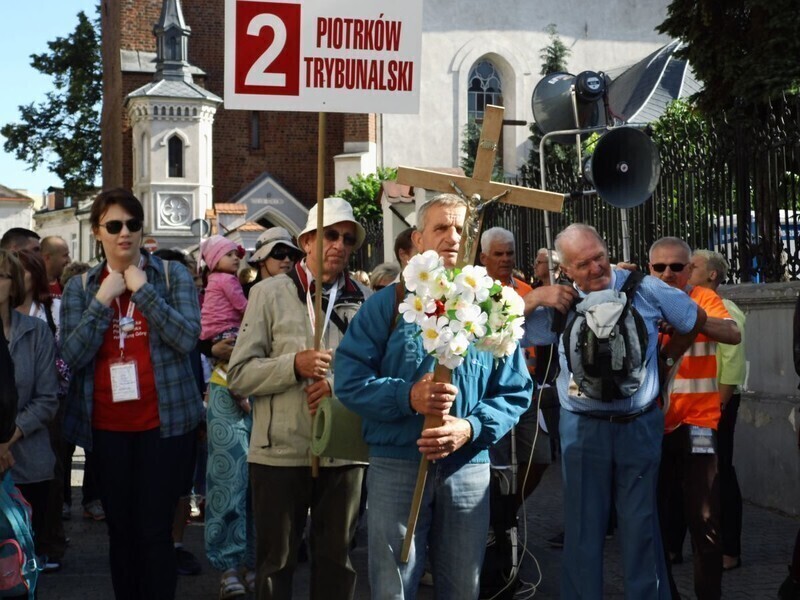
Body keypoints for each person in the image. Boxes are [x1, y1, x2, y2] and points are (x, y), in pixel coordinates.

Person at [334, 194, 533, 599]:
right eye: (441, 227)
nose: (452, 237)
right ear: (419, 239)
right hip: (397, 465)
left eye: (461, 228)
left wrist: (470, 427)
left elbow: (515, 391)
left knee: (463, 586)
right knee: (393, 587)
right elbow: (350, 380)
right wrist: (408, 396)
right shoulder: (387, 304)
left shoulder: (492, 307)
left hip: (467, 469)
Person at [523, 223, 706, 599]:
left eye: (599, 257)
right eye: (583, 263)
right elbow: (498, 331)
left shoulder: (646, 287)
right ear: (566, 270)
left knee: (641, 525)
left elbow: (691, 318)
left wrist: (667, 358)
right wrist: (532, 298)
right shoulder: (559, 299)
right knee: (583, 527)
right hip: (582, 427)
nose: (595, 268)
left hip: (637, 425)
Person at [60, 188, 202, 600]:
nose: (125, 233)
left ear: (142, 230)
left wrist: (143, 292)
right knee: (121, 533)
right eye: (114, 226)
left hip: (164, 425)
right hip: (107, 427)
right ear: (97, 232)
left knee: (156, 531)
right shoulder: (81, 288)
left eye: (133, 225)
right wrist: (102, 302)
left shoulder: (171, 276)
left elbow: (187, 337)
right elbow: (71, 354)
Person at [227, 196, 371, 599]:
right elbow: (239, 374)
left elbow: (377, 374)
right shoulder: (269, 293)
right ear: (307, 240)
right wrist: (294, 365)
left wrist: (338, 385)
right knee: (275, 564)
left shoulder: (365, 300)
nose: (339, 245)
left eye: (347, 238)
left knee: (338, 561)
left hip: (343, 449)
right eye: (330, 235)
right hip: (279, 450)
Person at [649, 237, 740, 600]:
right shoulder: (640, 300)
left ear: (690, 270)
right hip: (652, 426)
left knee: (704, 520)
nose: (668, 273)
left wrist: (690, 319)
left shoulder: (703, 298)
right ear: (650, 268)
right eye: (660, 267)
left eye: (677, 266)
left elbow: (732, 333)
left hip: (699, 424)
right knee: (654, 519)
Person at [479, 227, 551, 509]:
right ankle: (493, 520)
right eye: (498, 254)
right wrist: (531, 302)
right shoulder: (473, 289)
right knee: (493, 462)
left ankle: (509, 510)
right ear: (484, 257)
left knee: (540, 456)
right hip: (489, 390)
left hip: (527, 388)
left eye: (510, 253)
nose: (506, 259)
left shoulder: (525, 288)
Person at [0, 249, 59, 577]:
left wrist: (7, 440)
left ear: (13, 284)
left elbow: (47, 399)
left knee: (21, 565)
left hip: (29, 463)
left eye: (0, 276)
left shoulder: (36, 332)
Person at [689, 249, 746, 572]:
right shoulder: (691, 305)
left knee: (720, 475)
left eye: (693, 266)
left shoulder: (725, 310)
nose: (686, 269)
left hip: (716, 406)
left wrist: (720, 407)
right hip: (698, 406)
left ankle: (729, 549)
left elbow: (732, 365)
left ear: (712, 275)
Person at [15, 249, 70, 571]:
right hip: (13, 406)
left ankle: (47, 542)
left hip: (51, 402)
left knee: (49, 472)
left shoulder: (52, 310)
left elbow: (69, 353)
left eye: (19, 272)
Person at [199, 235, 247, 345]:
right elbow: (242, 306)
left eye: (236, 254)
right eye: (229, 255)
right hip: (227, 329)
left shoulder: (213, 278)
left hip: (210, 332)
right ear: (215, 261)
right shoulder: (227, 279)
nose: (235, 258)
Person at [244, 227, 303, 298]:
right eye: (279, 253)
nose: (287, 260)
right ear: (262, 261)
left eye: (291, 255)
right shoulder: (244, 294)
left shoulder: (300, 292)